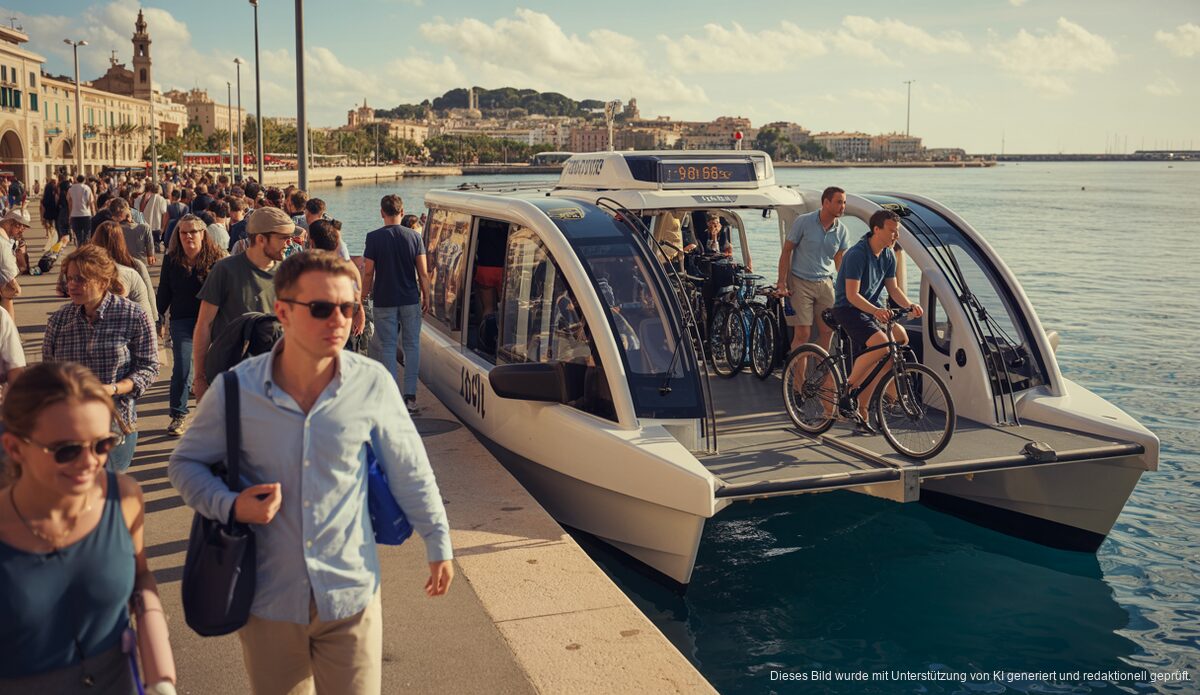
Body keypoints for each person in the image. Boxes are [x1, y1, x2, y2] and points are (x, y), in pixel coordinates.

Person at [168, 251, 452, 695]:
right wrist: (231, 505)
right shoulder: (236, 389)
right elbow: (184, 463)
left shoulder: (372, 382)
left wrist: (438, 541)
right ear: (283, 311)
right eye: (321, 308)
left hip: (350, 596)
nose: (337, 320)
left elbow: (410, 467)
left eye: (348, 307)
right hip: (269, 602)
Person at [0, 362, 175, 694]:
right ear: (14, 448)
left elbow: (140, 577)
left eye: (102, 445)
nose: (89, 464)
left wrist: (161, 674)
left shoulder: (123, 499)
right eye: (66, 450)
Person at [43, 246, 159, 472]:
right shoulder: (59, 320)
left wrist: (113, 389)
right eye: (69, 278)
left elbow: (148, 367)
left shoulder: (133, 315)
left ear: (103, 282)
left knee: (108, 491)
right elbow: (48, 373)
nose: (72, 284)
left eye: (81, 279)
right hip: (69, 424)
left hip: (114, 422)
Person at [831, 209, 923, 429]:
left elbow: (893, 289)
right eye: (892, 231)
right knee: (882, 345)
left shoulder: (889, 255)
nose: (896, 236)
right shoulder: (857, 254)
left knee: (899, 340)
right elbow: (852, 295)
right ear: (876, 229)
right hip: (848, 309)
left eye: (897, 231)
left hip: (872, 308)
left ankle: (863, 407)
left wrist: (909, 305)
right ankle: (848, 387)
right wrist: (875, 311)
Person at [192, 207, 291, 401]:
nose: (289, 243)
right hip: (232, 378)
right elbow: (204, 324)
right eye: (283, 238)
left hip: (275, 382)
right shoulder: (225, 270)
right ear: (261, 239)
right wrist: (200, 378)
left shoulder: (287, 273)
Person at [157, 215, 225, 436]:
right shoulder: (171, 260)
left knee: (212, 368)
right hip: (182, 321)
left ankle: (214, 414)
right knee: (183, 368)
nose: (188, 236)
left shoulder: (217, 259)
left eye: (193, 232)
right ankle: (178, 415)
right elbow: (164, 291)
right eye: (183, 232)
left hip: (213, 321)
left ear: (203, 234)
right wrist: (158, 318)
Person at [363, 195, 429, 415]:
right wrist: (426, 295)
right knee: (412, 347)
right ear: (402, 212)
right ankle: (410, 398)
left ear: (382, 212)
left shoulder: (373, 238)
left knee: (389, 347)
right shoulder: (414, 237)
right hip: (410, 299)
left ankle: (392, 399)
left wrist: (363, 296)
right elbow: (423, 272)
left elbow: (369, 272)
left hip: (384, 300)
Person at [777, 186, 851, 356]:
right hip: (799, 282)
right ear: (826, 202)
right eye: (839, 202)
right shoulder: (804, 221)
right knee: (803, 334)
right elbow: (787, 251)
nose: (843, 206)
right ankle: (798, 381)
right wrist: (781, 282)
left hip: (825, 283)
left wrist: (848, 290)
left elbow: (839, 261)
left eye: (844, 203)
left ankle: (821, 376)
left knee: (828, 331)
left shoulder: (842, 231)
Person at [87, 221, 157, 326]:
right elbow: (149, 295)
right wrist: (155, 320)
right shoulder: (135, 264)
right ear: (121, 241)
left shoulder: (90, 268)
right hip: (136, 323)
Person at [308, 219, 365, 338]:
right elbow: (355, 279)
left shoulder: (307, 270)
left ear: (311, 243)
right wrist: (360, 309)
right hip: (343, 327)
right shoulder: (343, 267)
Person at [110, 198, 156, 268]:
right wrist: (150, 254)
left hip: (125, 265)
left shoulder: (113, 229)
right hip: (137, 264)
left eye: (119, 216)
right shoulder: (144, 226)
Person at [0, 210, 29, 320]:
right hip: (3, 281)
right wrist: (13, 282)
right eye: (20, 226)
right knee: (8, 296)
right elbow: (6, 265)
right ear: (10, 222)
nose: (22, 230)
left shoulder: (9, 237)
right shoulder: (2, 238)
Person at [135, 182, 169, 254]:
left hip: (142, 227)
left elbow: (136, 213)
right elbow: (164, 215)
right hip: (156, 228)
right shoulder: (161, 199)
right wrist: (163, 228)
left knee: (144, 250)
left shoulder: (138, 198)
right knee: (155, 251)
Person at [68, 175, 95, 247]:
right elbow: (91, 202)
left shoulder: (71, 189)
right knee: (87, 235)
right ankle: (85, 251)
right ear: (84, 180)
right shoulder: (87, 188)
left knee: (78, 236)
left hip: (75, 215)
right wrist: (93, 213)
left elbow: (69, 202)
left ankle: (79, 248)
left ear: (76, 180)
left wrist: (70, 215)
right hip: (86, 214)